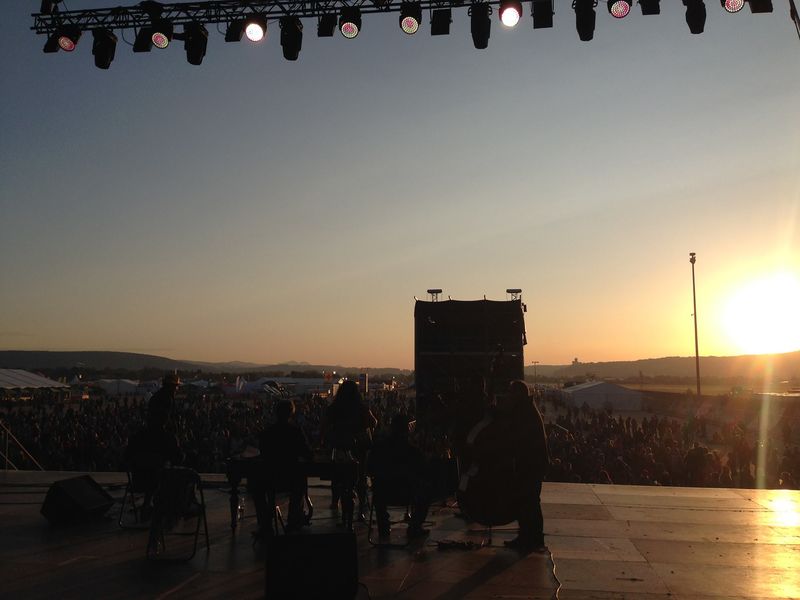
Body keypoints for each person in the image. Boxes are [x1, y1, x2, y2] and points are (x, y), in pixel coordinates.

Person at [500, 380, 549, 552]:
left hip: (530, 463)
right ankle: (529, 536)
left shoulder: (523, 412)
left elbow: (516, 437)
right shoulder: (527, 409)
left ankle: (531, 537)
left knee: (529, 502)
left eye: (511, 393)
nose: (508, 396)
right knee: (528, 502)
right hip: (531, 463)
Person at [252, 400, 312, 536]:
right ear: (291, 413)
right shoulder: (295, 432)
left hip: (270, 478)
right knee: (300, 485)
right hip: (291, 479)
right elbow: (307, 454)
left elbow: (263, 454)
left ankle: (265, 524)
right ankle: (293, 521)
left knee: (257, 490)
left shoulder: (267, 433)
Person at [322, 380, 376, 529]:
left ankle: (335, 501)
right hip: (359, 446)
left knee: (338, 475)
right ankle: (360, 507)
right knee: (360, 475)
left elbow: (325, 425)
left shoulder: (334, 408)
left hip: (339, 445)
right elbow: (374, 422)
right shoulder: (361, 408)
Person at [367, 415, 431, 539]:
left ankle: (383, 526)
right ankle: (415, 527)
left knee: (378, 488)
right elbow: (424, 471)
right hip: (406, 494)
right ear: (407, 431)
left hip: (382, 494)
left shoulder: (378, 448)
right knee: (426, 490)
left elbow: (369, 470)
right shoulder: (413, 451)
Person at [123, 407, 183, 517]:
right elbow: (179, 459)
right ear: (165, 421)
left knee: (153, 471)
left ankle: (148, 504)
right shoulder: (168, 438)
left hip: (138, 481)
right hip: (161, 482)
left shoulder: (136, 438)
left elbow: (126, 458)